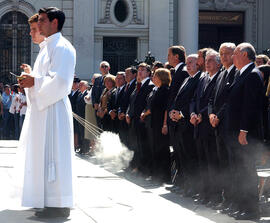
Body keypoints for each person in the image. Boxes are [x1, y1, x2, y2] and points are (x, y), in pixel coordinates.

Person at [18, 7, 76, 218]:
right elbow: (44, 77)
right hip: (44, 109)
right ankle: (46, 201)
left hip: (54, 110)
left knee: (55, 155)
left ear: (54, 23)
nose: (39, 24)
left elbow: (61, 81)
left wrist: (35, 81)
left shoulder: (63, 47)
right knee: (43, 155)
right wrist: (30, 78)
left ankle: (58, 204)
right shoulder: (47, 48)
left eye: (42, 20)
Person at [225, 42, 263, 220]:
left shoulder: (252, 75)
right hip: (234, 131)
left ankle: (251, 210)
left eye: (236, 53)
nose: (233, 57)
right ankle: (242, 206)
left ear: (245, 55)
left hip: (244, 134)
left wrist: (243, 130)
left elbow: (250, 106)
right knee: (238, 171)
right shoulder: (241, 74)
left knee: (247, 171)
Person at [190, 50, 221, 206]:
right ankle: (205, 193)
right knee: (202, 161)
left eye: (211, 60)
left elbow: (213, 101)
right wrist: (192, 113)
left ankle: (215, 196)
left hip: (209, 127)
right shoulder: (203, 78)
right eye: (206, 60)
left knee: (212, 162)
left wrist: (202, 114)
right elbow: (194, 99)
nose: (207, 63)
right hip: (198, 126)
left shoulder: (219, 77)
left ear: (218, 62)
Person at [208, 42, 237, 212]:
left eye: (227, 53)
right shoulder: (221, 74)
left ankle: (233, 201)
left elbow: (230, 101)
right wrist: (211, 114)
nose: (224, 56)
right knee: (223, 165)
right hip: (216, 125)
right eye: (222, 53)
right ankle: (227, 200)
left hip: (227, 125)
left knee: (231, 167)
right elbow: (212, 99)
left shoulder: (235, 73)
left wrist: (218, 116)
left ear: (234, 54)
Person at [169, 54, 201, 196]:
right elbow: (178, 99)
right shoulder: (187, 79)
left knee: (190, 157)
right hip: (180, 124)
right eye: (187, 62)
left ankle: (192, 187)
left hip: (188, 123)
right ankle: (184, 184)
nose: (187, 65)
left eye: (191, 62)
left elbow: (194, 101)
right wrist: (173, 112)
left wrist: (182, 114)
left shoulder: (200, 78)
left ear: (198, 64)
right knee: (182, 157)